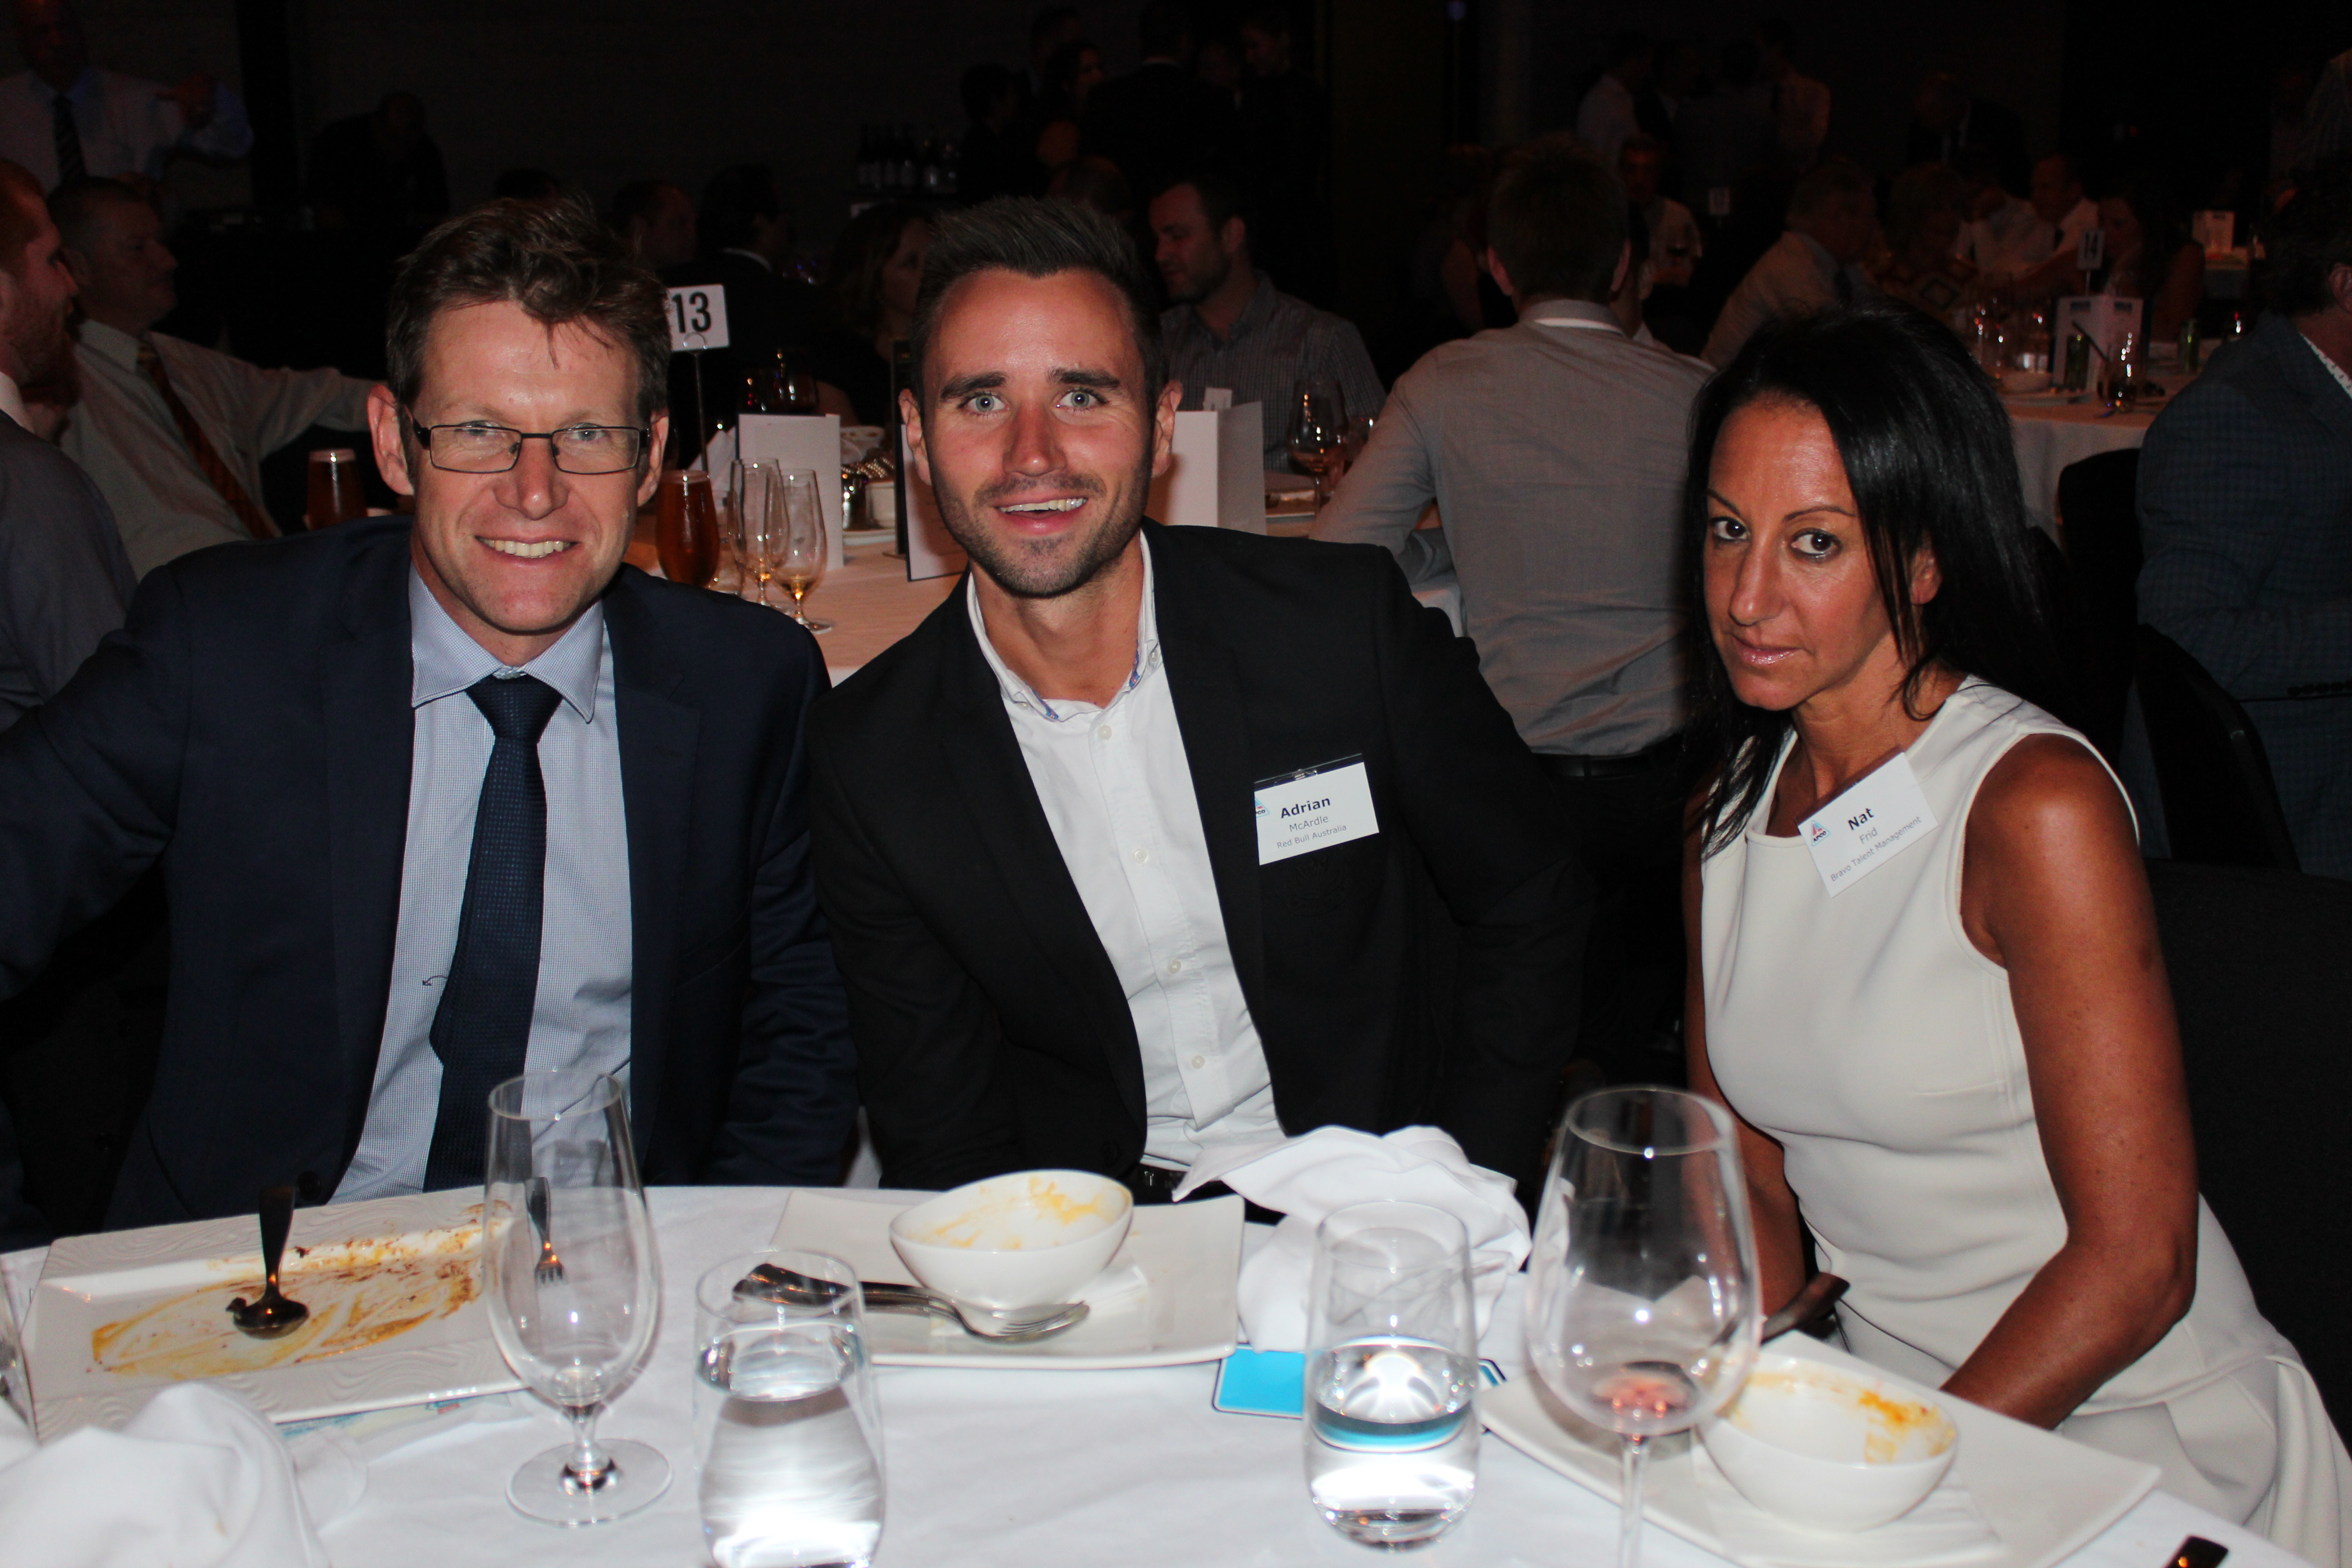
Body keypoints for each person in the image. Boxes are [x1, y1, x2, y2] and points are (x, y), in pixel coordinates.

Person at [0, 196, 857, 1228]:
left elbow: (801, 1029)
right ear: (394, 445)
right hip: (268, 1266)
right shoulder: (222, 648)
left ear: (650, 456)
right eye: (478, 432)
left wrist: (716, 1254)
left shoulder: (746, 685)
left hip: (600, 1258)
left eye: (586, 434)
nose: (533, 492)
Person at [1684, 305, 2352, 1557]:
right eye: (1727, 530)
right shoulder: (1727, 813)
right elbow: (1748, 1175)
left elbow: (2140, 1263)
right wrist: (1746, 1393)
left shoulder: (2030, 806)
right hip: (1881, 1415)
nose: (1748, 595)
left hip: (2124, 1433)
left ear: (1924, 562)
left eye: (1814, 542)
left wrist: (1901, 1473)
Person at [810, 197, 1588, 1202]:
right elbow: (940, 1127)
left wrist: (1465, 1185)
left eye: (1082, 396)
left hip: (1379, 1198)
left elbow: (1530, 897)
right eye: (982, 402)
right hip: (1095, 1231)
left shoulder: (1337, 630)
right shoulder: (874, 756)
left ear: (1162, 421)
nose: (1032, 453)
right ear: (916, 435)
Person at [1315, 142, 1706, 1087]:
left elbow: (1337, 561)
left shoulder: (1444, 383)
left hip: (1525, 795)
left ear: (1495, 267)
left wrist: (1453, 546)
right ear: (1622, 262)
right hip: (1679, 794)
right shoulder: (1698, 393)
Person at [2138, 159, 2352, 878]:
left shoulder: (2329, 389)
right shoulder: (2240, 417)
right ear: (2347, 288)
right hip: (2301, 797)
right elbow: (2187, 639)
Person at [49, 177, 372, 575]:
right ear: (78, 267)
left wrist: (425, 399)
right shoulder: (60, 382)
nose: (167, 261)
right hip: (165, 599)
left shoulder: (192, 366)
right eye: (137, 248)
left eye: (161, 243)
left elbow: (321, 395)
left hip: (267, 577)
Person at [1148, 172, 1383, 469]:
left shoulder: (1320, 341)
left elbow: (1385, 458)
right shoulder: (1155, 341)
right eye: (1158, 239)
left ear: (1231, 235)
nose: (1160, 254)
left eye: (1177, 236)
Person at [662, 164, 832, 457]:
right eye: (783, 214)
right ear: (762, 222)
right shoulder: (796, 300)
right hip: (778, 459)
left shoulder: (665, 285)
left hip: (676, 459)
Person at [0, 0, 250, 191]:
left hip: (124, 238)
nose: (57, 41)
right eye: (42, 32)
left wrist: (213, 99)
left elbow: (233, 146)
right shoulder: (7, 105)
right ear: (22, 40)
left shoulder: (137, 98)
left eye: (65, 28)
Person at [1702, 155, 1877, 368]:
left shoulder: (1843, 270)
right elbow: (1834, 348)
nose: (1875, 228)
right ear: (1838, 216)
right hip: (1731, 384)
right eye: (1869, 216)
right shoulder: (1789, 266)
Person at [1082, 1, 1240, 199]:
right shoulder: (1213, 99)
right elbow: (1227, 173)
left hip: (1125, 211)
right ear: (1184, 42)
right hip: (1192, 211)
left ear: (1141, 43)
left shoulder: (1106, 97)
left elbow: (1093, 172)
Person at [1236, 4, 1333, 303]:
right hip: (1273, 224)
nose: (1250, 57)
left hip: (1289, 227)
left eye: (1256, 46)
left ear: (1283, 41)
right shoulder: (1260, 93)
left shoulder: (1298, 94)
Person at [809, 201, 932, 428]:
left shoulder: (956, 344)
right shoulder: (838, 355)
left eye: (934, 258)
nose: (930, 273)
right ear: (872, 275)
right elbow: (844, 440)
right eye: (910, 263)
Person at [304, 92, 448, 235]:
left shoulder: (424, 150)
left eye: (407, 142)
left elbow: (432, 214)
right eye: (393, 140)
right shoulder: (338, 142)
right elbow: (325, 209)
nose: (399, 149)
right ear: (377, 125)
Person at [2090, 173, 2204, 343]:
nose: (2105, 233)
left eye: (2118, 225)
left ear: (2146, 225)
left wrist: (2123, 280)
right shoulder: (2098, 253)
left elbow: (2169, 332)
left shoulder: (2184, 255)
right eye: (2101, 221)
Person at [1869, 163, 1980, 318]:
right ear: (1912, 215)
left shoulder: (1969, 279)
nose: (1950, 218)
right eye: (1937, 209)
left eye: (1955, 208)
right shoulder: (1881, 280)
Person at [1905, 72, 2028, 196]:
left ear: (1951, 107)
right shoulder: (1921, 131)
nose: (1925, 124)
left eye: (1933, 117)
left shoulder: (1999, 125)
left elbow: (2014, 178)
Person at [1619, 132, 1700, 288]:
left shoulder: (1678, 217)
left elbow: (1694, 270)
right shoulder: (1611, 218)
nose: (1640, 180)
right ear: (1621, 173)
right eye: (1632, 171)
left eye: (1647, 171)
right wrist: (1655, 279)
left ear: (1658, 175)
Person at [1754, 18, 1828, 173]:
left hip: (1798, 178)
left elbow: (1812, 140)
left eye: (1759, 51)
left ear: (1776, 49)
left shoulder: (1814, 92)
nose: (1754, 57)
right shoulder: (1753, 93)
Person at [958, 63, 1036, 205]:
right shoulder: (982, 146)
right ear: (995, 101)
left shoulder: (1001, 139)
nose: (1016, 99)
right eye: (1011, 93)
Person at [1575, 31, 1654, 169]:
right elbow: (1592, 158)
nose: (1647, 73)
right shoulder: (1601, 101)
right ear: (1632, 62)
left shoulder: (1620, 99)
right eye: (1645, 66)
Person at [608, 178, 696, 270]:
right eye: (678, 224)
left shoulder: (692, 275)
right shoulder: (610, 276)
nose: (692, 234)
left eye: (694, 224)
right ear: (638, 228)